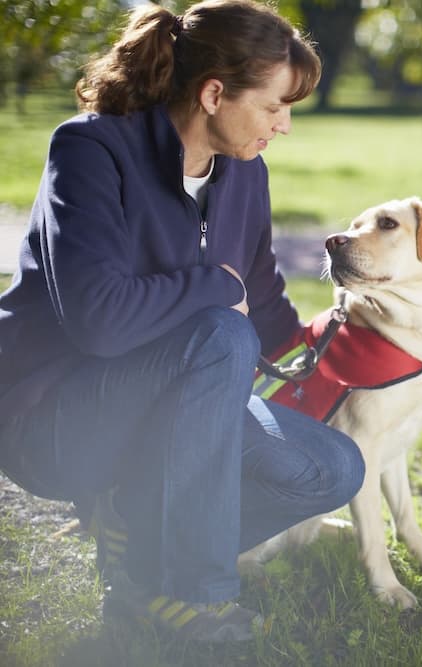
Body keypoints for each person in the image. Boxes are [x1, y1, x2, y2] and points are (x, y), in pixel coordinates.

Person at [0, 1, 365, 642]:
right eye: (275, 106)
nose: (283, 127)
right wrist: (214, 287)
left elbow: (266, 303)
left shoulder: (245, 173)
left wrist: (348, 338)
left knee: (331, 469)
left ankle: (138, 545)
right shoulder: (89, 150)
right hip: (54, 413)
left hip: (172, 404)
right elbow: (100, 323)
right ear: (215, 93)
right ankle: (188, 591)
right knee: (222, 331)